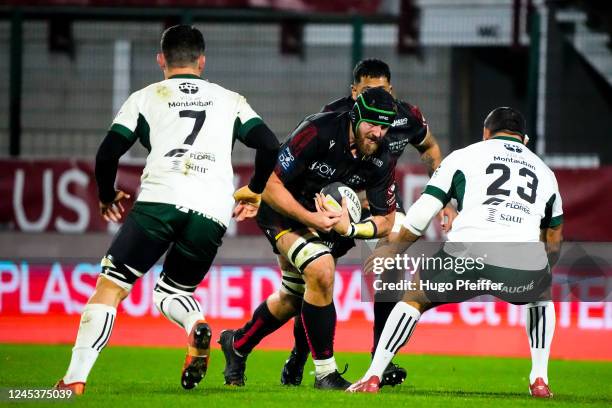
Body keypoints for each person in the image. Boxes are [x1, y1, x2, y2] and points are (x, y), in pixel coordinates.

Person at [54, 25, 279, 394]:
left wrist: (108, 195)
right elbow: (269, 145)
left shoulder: (145, 98)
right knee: (172, 291)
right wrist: (254, 192)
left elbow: (108, 153)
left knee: (111, 287)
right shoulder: (229, 99)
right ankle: (195, 327)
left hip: (160, 200)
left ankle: (74, 380)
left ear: (161, 59)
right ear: (202, 61)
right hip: (211, 210)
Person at [347, 107, 563, 398]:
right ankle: (539, 380)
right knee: (541, 295)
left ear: (485, 134)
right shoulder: (546, 173)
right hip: (521, 259)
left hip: (465, 254)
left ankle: (373, 376)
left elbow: (423, 212)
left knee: (413, 298)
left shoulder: (464, 156)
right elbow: (553, 238)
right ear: (524, 140)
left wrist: (393, 249)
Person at [281, 58, 456, 388]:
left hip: (379, 208)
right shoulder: (335, 117)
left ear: (391, 89)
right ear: (354, 92)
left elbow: (430, 148)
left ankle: (382, 356)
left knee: (393, 262)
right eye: (367, 92)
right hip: (336, 209)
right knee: (317, 278)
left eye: (382, 91)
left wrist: (445, 200)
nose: (376, 99)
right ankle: (299, 355)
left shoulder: (407, 116)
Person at [219, 87, 398, 390]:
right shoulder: (318, 130)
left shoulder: (382, 156)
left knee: (293, 297)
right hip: (283, 213)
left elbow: (387, 220)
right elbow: (271, 184)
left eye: (384, 126)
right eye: (371, 123)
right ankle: (325, 373)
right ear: (355, 116)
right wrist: (311, 219)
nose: (378, 133)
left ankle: (237, 344)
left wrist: (351, 230)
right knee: (321, 268)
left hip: (328, 225)